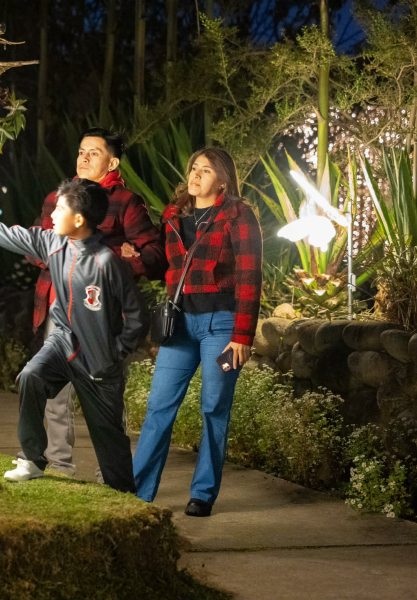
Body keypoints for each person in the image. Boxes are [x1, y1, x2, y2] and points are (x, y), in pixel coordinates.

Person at [0, 179, 147, 494]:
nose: (52, 214)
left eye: (60, 208)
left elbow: (137, 315)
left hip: (98, 361)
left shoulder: (107, 263)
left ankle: (123, 494)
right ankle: (32, 459)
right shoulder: (51, 243)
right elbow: (4, 233)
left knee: (109, 441)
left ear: (79, 219)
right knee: (31, 376)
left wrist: (116, 353)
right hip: (60, 345)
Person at [26, 127, 166, 477]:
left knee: (105, 393)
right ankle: (59, 466)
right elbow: (36, 246)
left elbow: (154, 254)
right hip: (59, 309)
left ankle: (112, 473)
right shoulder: (57, 198)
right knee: (54, 392)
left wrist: (119, 258)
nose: (84, 157)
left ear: (113, 161)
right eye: (81, 151)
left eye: (94, 152)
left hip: (103, 316)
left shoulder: (126, 202)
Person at [131, 147, 263, 516]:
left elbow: (251, 276)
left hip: (221, 329)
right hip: (180, 327)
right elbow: (167, 268)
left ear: (222, 179)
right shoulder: (173, 216)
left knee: (213, 406)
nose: (196, 174)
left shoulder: (238, 214)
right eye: (193, 168)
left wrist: (242, 336)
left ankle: (202, 493)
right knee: (159, 405)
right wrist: (135, 257)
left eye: (206, 170)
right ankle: (136, 490)